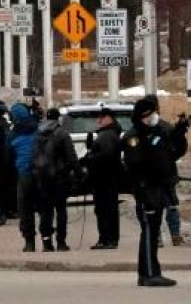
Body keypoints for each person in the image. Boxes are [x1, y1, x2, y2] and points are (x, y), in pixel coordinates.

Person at [123, 96, 188, 287]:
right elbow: (136, 165)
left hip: (159, 188)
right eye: (150, 114)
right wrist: (143, 192)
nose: (154, 117)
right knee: (150, 232)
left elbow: (170, 155)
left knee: (150, 232)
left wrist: (178, 135)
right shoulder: (134, 137)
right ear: (142, 116)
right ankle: (150, 274)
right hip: (147, 191)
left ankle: (146, 273)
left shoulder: (156, 132)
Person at [32, 107, 79, 251]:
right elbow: (71, 157)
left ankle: (46, 243)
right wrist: (79, 174)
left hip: (42, 178)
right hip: (59, 178)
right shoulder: (62, 134)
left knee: (45, 211)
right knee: (61, 210)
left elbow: (33, 155)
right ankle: (61, 242)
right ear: (58, 118)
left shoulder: (38, 133)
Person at [84, 107, 123, 250]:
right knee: (110, 209)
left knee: (104, 209)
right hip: (109, 178)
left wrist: (90, 158)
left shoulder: (107, 135)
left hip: (104, 179)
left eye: (100, 118)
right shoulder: (111, 133)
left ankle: (106, 239)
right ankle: (111, 239)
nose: (98, 121)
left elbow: (106, 156)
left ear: (108, 118)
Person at [7, 102, 41, 253]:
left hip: (24, 174)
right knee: (45, 208)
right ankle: (48, 242)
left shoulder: (13, 134)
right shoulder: (39, 128)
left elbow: (7, 158)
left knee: (25, 209)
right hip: (42, 174)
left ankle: (29, 242)